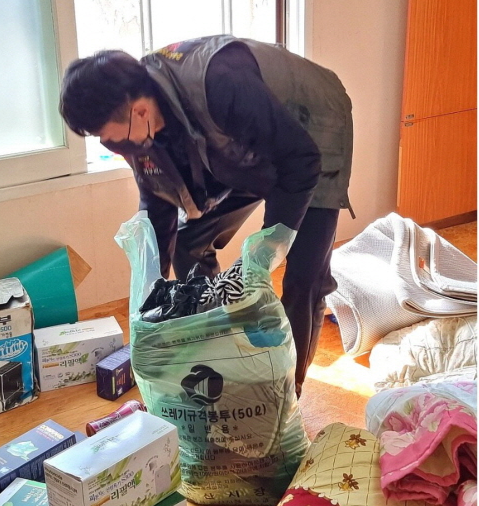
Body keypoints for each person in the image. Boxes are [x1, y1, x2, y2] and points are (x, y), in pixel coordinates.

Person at [59, 36, 353, 396]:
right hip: (238, 148)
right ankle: (220, 344)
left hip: (311, 132)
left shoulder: (221, 83)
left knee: (304, 279)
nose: (111, 146)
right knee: (189, 242)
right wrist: (148, 296)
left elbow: (300, 161)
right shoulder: (137, 126)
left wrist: (268, 247)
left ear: (140, 112)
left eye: (108, 137)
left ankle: (286, 393)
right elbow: (158, 206)